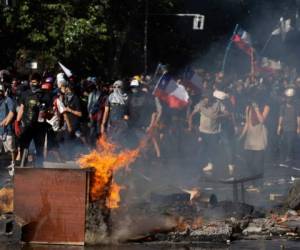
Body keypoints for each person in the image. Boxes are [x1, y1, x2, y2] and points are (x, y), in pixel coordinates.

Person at [188, 90, 227, 175]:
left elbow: (227, 114)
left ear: (211, 99)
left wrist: (218, 116)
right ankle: (198, 167)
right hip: (203, 132)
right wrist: (190, 126)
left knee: (212, 150)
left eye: (208, 99)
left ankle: (211, 165)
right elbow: (192, 114)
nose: (206, 101)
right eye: (204, 99)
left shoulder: (218, 104)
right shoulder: (200, 105)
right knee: (201, 150)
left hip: (214, 132)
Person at [15, 73, 45, 167]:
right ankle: (23, 168)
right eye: (31, 82)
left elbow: (49, 112)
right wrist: (17, 122)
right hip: (26, 126)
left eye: (35, 82)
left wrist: (44, 111)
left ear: (39, 82)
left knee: (39, 150)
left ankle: (39, 169)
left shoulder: (45, 95)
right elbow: (21, 108)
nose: (33, 84)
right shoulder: (25, 94)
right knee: (23, 147)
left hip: (39, 127)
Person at [239, 91, 270, 181]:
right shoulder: (248, 108)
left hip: (260, 138)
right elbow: (247, 123)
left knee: (258, 164)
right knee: (249, 162)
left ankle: (259, 184)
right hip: (250, 139)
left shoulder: (266, 107)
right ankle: (253, 182)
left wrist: (257, 109)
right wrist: (241, 136)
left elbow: (262, 120)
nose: (254, 102)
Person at [101, 80, 129, 144]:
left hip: (121, 124)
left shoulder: (126, 97)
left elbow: (126, 113)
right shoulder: (110, 97)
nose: (116, 88)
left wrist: (126, 123)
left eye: (118, 87)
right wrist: (103, 124)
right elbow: (106, 111)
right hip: (111, 123)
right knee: (110, 141)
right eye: (114, 87)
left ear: (122, 87)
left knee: (120, 142)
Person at [277, 88, 300, 166]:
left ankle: (288, 157)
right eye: (287, 97)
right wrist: (279, 126)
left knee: (290, 143)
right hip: (284, 127)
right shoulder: (282, 106)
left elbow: (298, 117)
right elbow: (281, 117)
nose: (288, 99)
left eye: (290, 97)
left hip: (292, 128)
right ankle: (284, 157)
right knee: (283, 142)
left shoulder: (296, 106)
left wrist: (298, 127)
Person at [0, 84, 16, 176]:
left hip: (7, 130)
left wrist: (5, 122)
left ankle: (13, 165)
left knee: (11, 149)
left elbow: (12, 112)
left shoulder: (7, 100)